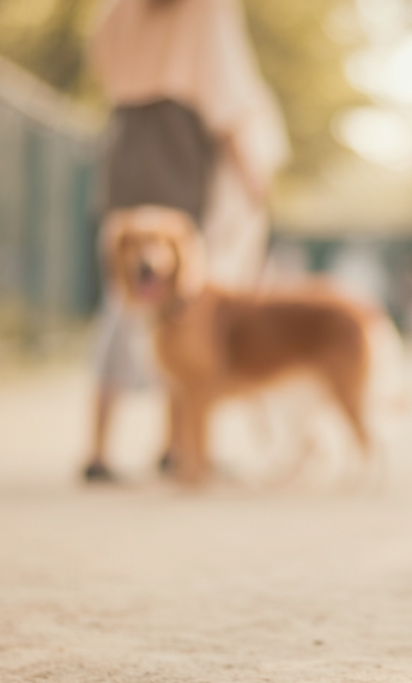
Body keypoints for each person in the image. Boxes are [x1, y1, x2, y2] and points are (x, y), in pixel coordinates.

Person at [83, 0, 290, 481]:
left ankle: (100, 449)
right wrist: (255, 179)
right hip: (180, 154)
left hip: (126, 148)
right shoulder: (208, 8)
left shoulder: (115, 9)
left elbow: (101, 61)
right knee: (183, 308)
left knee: (121, 303)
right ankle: (177, 447)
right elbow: (228, 99)